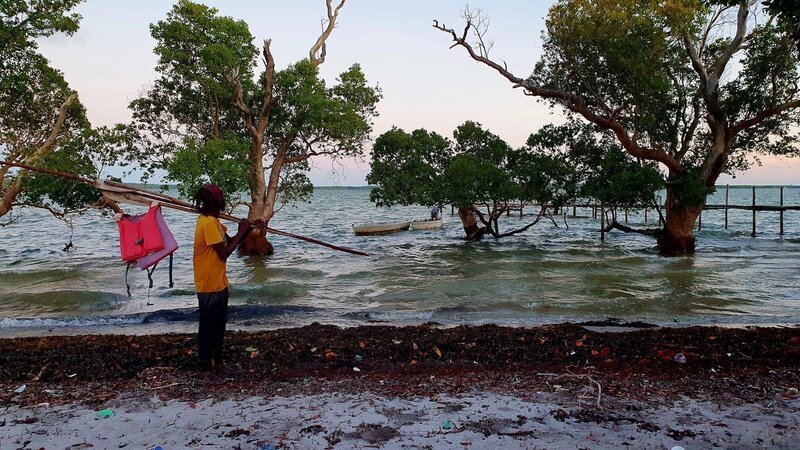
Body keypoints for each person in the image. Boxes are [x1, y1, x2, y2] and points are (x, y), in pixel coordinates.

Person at [192, 183, 253, 372]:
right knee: (209, 327)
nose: (223, 202)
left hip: (218, 282)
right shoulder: (208, 223)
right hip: (209, 283)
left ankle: (218, 363)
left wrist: (248, 229)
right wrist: (242, 231)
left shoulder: (214, 222)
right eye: (221, 199)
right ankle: (204, 366)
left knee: (219, 326)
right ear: (216, 202)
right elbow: (224, 253)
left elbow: (231, 241)